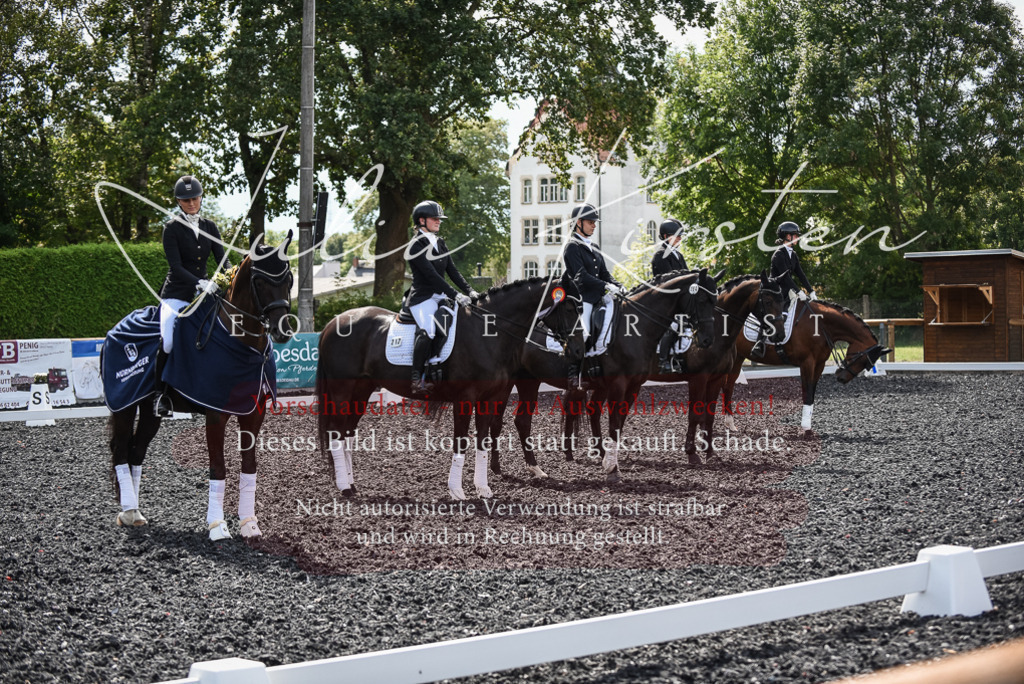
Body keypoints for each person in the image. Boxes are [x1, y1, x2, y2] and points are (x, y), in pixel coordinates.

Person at [154, 175, 226, 415]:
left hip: (204, 294)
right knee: (169, 340)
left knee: (222, 334)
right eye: (186, 200)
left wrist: (230, 278)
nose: (191, 203)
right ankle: (161, 395)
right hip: (177, 294)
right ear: (178, 201)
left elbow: (222, 260)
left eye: (195, 198)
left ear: (201, 198)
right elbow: (175, 267)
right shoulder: (171, 228)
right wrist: (199, 282)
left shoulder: (210, 227)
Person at [407, 200, 478, 394]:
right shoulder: (415, 245)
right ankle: (416, 379)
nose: (439, 221)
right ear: (421, 220)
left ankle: (436, 365)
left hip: (440, 297)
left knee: (458, 323)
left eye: (439, 218)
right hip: (423, 298)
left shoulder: (440, 242)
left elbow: (452, 271)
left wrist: (470, 291)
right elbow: (432, 276)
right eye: (434, 218)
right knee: (429, 330)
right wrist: (455, 295)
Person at [562, 203, 625, 383]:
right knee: (586, 332)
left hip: (599, 296)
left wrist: (617, 285)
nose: (594, 225)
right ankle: (574, 373)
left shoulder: (594, 246)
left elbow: (605, 273)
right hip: (583, 298)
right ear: (578, 223)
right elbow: (581, 276)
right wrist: (605, 285)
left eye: (595, 222)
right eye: (591, 222)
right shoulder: (572, 247)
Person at [751, 221, 817, 358]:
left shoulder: (793, 254)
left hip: (785, 291)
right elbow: (785, 278)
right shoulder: (778, 254)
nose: (797, 238)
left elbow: (800, 274)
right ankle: (759, 342)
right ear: (786, 236)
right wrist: (799, 291)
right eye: (795, 235)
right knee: (773, 316)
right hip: (773, 291)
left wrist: (811, 291)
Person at [651, 218, 690, 373]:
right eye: (676, 235)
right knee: (674, 324)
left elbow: (686, 276)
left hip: (679, 300)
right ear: (666, 236)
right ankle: (663, 359)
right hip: (666, 301)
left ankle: (682, 355)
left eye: (680, 235)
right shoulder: (660, 256)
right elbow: (668, 280)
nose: (680, 238)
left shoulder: (679, 256)